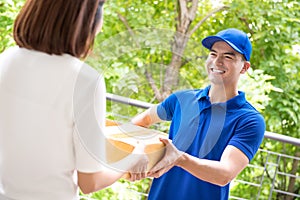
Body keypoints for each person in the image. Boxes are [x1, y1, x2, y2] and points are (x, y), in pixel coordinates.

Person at [0, 0, 147, 200]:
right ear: (87, 22)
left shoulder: (6, 59)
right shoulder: (85, 80)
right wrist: (132, 160)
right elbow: (90, 182)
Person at [131, 28, 265, 200]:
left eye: (228, 56)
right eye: (213, 54)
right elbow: (140, 122)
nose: (217, 61)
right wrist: (139, 156)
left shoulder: (249, 120)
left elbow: (225, 174)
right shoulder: (182, 99)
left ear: (244, 67)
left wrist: (179, 159)